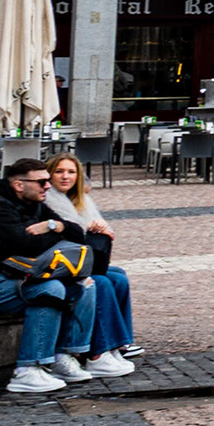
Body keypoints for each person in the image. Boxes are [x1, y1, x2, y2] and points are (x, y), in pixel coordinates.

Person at [0, 156, 109, 394]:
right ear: (19, 184)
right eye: (42, 182)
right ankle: (27, 369)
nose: (48, 186)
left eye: (48, 180)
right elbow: (27, 245)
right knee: (49, 290)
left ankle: (64, 354)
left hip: (13, 275)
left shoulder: (35, 203)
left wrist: (54, 226)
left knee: (85, 283)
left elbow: (77, 233)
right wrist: (55, 234)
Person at [45, 153, 139, 369]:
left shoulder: (80, 200)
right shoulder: (49, 200)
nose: (65, 177)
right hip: (61, 264)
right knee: (102, 282)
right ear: (49, 174)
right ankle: (98, 352)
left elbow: (100, 231)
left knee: (118, 276)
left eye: (71, 172)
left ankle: (120, 343)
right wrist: (89, 229)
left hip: (81, 260)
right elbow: (71, 233)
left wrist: (100, 228)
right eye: (59, 172)